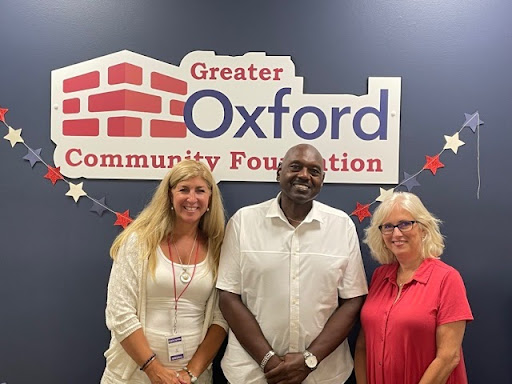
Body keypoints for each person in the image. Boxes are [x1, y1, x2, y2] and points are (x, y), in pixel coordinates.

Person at [216, 143, 368, 384]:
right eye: (295, 167)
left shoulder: (341, 226)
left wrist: (310, 360)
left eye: (314, 171)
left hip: (323, 375)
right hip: (251, 374)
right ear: (279, 172)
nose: (304, 175)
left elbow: (353, 300)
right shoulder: (244, 222)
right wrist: (269, 361)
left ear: (322, 180)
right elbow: (228, 296)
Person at [101, 160, 228, 384]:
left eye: (200, 190)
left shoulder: (218, 248)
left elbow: (221, 319)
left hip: (191, 378)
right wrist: (154, 369)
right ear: (170, 195)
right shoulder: (139, 241)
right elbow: (119, 312)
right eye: (183, 190)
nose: (192, 199)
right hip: (134, 374)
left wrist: (190, 374)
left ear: (209, 198)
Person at [354, 192, 473, 384]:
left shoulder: (447, 278)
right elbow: (363, 345)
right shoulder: (379, 277)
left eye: (404, 224)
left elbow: (449, 357)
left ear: (423, 229)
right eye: (388, 226)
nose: (396, 233)